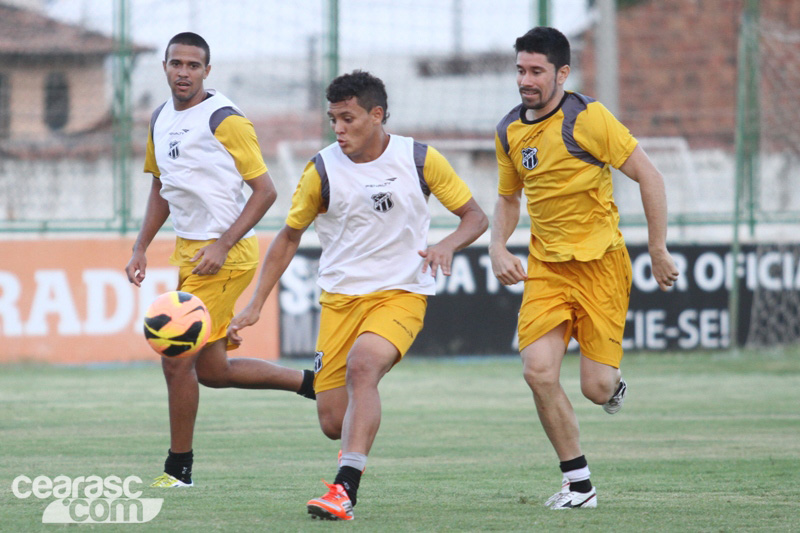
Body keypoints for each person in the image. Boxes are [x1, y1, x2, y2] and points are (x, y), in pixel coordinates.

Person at [227, 70, 488, 520]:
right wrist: (254, 305)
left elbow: (475, 217)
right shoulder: (322, 170)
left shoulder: (420, 159)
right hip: (340, 301)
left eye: (347, 118)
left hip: (401, 293)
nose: (338, 128)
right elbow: (288, 238)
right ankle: (333, 409)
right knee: (332, 422)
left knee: (363, 366)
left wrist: (447, 244)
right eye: (333, 119)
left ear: (377, 115)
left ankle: (344, 489)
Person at [489, 27, 679, 510]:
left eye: (536, 71)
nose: (525, 80)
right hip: (547, 270)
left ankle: (612, 386)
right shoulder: (509, 130)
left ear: (562, 73)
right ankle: (579, 485)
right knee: (537, 372)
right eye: (520, 70)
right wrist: (497, 246)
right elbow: (509, 199)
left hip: (602, 267)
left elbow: (648, 175)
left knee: (595, 388)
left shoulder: (588, 118)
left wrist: (657, 248)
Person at [124, 32, 315, 489]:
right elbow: (160, 188)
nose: (183, 72)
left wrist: (223, 244)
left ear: (207, 71)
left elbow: (266, 191)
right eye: (176, 63)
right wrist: (140, 246)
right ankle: (312, 382)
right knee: (212, 371)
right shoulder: (159, 118)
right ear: (165, 67)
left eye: (193, 65)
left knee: (174, 357)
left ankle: (178, 469)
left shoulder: (224, 119)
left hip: (226, 256)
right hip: (190, 252)